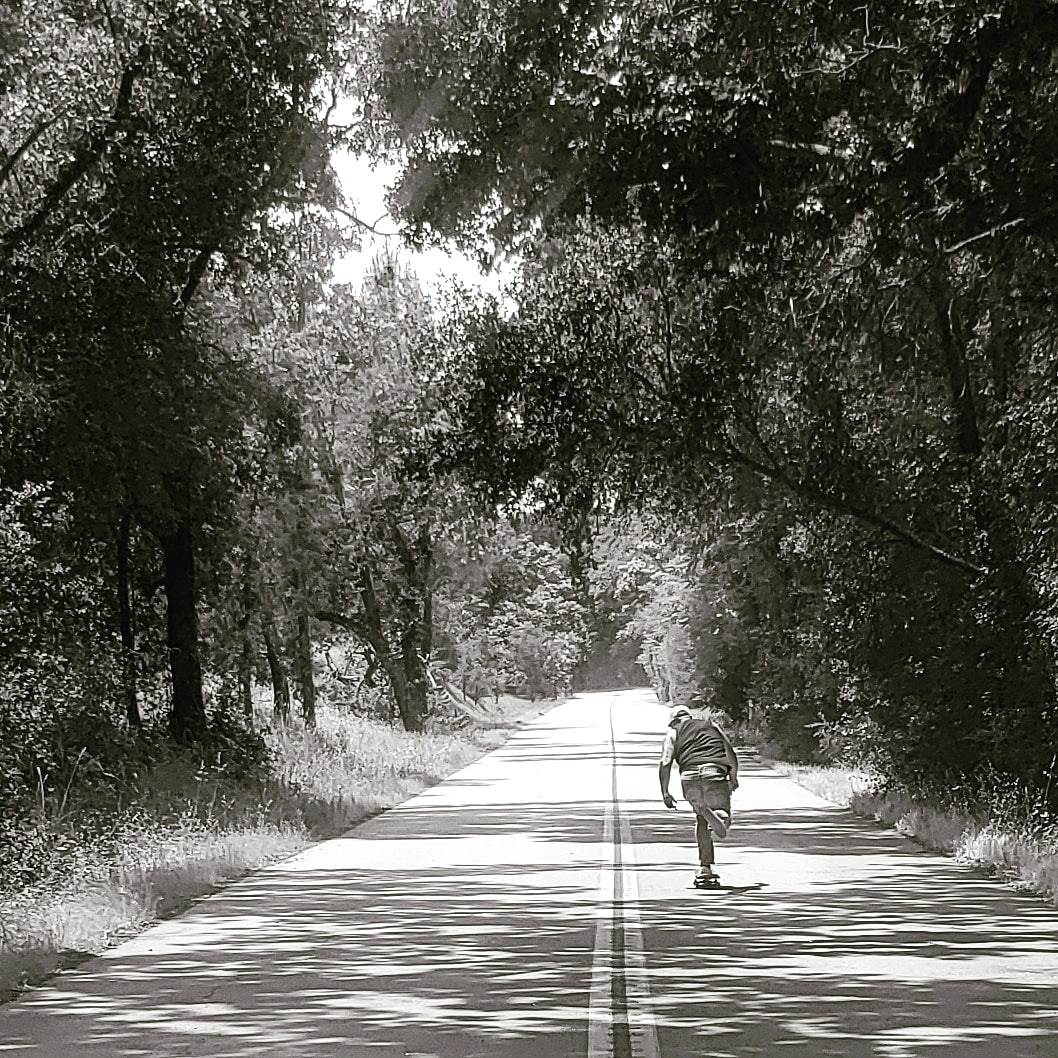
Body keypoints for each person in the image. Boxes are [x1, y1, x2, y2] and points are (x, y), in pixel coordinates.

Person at [659, 703, 739, 888]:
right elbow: (730, 753)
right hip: (714, 773)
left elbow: (665, 761)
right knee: (722, 819)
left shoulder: (673, 733)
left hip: (690, 778)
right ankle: (715, 816)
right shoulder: (711, 726)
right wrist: (733, 778)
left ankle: (705, 867)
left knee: (702, 820)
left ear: (673, 722)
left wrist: (665, 792)